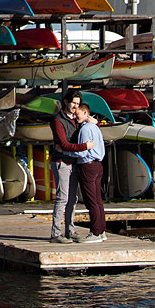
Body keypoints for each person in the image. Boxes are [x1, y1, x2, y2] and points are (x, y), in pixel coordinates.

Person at [49, 87, 94, 243]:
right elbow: (63, 144)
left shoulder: (77, 119)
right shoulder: (57, 120)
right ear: (66, 102)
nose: (76, 107)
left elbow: (91, 131)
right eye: (74, 103)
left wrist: (93, 122)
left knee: (72, 198)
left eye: (78, 104)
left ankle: (70, 230)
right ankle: (55, 234)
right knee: (62, 198)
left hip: (74, 163)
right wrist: (84, 147)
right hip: (61, 162)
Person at [73, 101, 106, 242]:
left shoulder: (85, 129)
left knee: (91, 200)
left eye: (77, 114)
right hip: (98, 165)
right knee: (98, 200)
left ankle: (96, 232)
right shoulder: (95, 127)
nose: (75, 117)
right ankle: (102, 230)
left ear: (85, 113)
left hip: (87, 165)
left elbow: (83, 151)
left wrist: (68, 153)